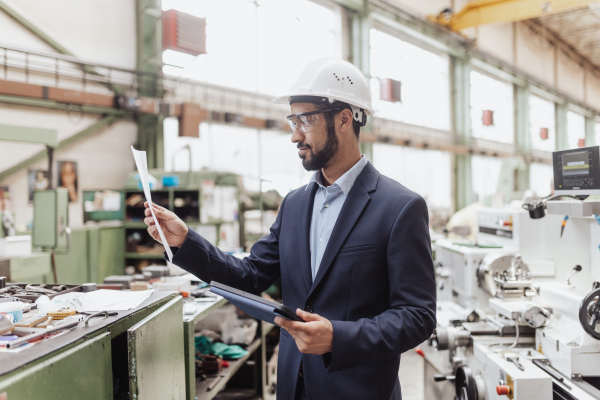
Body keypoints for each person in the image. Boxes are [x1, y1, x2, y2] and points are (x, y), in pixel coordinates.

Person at [144, 58, 436, 400]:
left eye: (306, 120)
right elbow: (250, 276)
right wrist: (185, 243)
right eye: (292, 121)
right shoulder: (295, 204)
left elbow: (417, 316)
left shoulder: (399, 207)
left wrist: (338, 337)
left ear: (344, 118)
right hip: (293, 387)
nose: (295, 135)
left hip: (357, 390)